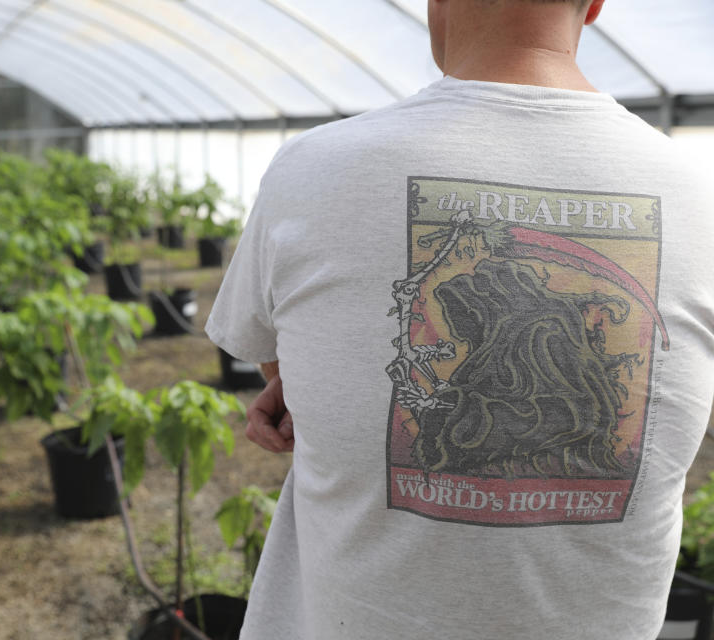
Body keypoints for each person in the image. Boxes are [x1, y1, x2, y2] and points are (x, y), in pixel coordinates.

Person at [205, 0, 714, 638]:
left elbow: (275, 357)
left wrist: (321, 378)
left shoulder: (313, 169)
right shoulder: (699, 196)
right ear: (596, 4)